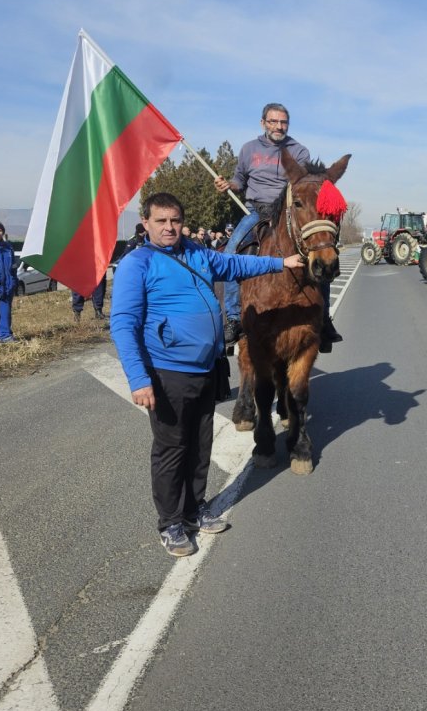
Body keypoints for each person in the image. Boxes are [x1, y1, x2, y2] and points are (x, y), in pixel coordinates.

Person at [110, 192, 305, 557]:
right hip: (167, 372)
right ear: (146, 222)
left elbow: (235, 266)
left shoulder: (197, 253)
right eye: (162, 221)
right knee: (172, 449)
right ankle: (170, 523)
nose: (170, 227)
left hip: (206, 367)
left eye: (175, 220)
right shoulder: (137, 264)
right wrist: (138, 379)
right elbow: (122, 324)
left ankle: (194, 510)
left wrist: (282, 262)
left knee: (200, 446)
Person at [213, 103, 314, 344]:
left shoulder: (299, 151)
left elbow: (304, 184)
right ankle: (235, 318)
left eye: (283, 122)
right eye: (273, 121)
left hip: (287, 212)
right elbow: (239, 179)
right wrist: (229, 185)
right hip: (255, 211)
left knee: (318, 254)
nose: (279, 126)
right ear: (263, 123)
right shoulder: (249, 149)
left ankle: (324, 319)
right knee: (230, 254)